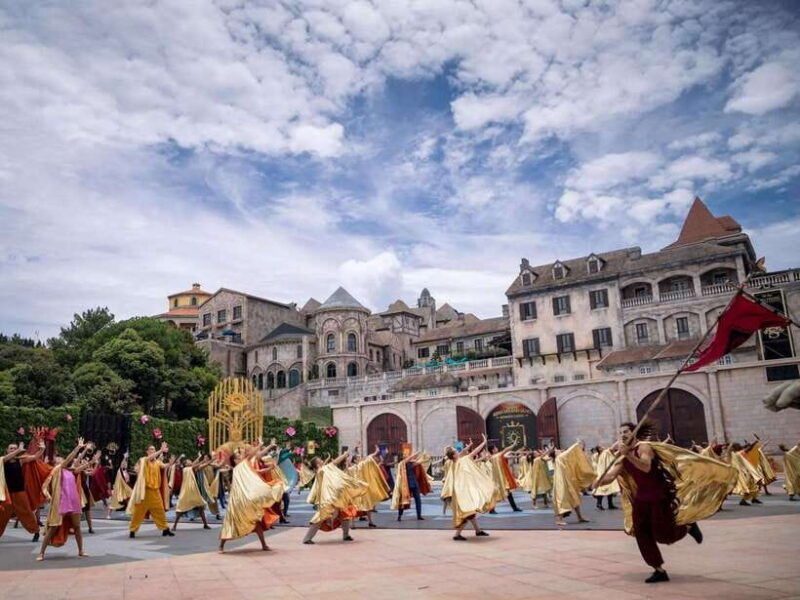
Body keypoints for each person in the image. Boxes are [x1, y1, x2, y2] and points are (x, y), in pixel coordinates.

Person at [595, 421, 735, 584]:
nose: (622, 435)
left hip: (658, 495)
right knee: (642, 533)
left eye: (626, 431)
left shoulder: (644, 447)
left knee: (664, 536)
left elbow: (646, 467)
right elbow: (611, 476)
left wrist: (628, 455)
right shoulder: (623, 454)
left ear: (634, 433)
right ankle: (658, 570)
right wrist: (598, 482)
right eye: (620, 433)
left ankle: (688, 526)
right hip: (641, 498)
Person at [218, 441, 284, 553]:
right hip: (238, 500)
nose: (241, 456)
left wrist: (269, 468)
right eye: (238, 456)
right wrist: (259, 445)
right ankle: (221, 545)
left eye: (240, 455)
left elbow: (257, 467)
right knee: (231, 522)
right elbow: (253, 454)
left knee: (256, 520)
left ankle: (264, 545)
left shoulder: (246, 465)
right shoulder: (237, 469)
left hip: (249, 498)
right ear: (234, 460)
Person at [37, 440, 92, 561]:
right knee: (53, 528)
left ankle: (81, 550)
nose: (61, 461)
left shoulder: (70, 471)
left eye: (61, 460)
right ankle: (41, 552)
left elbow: (77, 464)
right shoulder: (57, 470)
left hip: (73, 503)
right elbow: (69, 459)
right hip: (61, 503)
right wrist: (78, 447)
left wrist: (88, 458)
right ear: (56, 463)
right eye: (59, 460)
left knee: (77, 527)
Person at [302, 452, 368, 544]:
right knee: (319, 518)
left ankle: (346, 535)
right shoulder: (322, 471)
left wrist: (328, 459)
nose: (322, 461)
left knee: (344, 515)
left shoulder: (323, 470)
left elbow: (330, 465)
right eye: (320, 460)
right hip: (329, 500)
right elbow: (335, 463)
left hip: (335, 498)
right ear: (318, 464)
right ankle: (307, 538)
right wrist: (344, 454)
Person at [444, 434, 494, 541]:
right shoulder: (462, 460)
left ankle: (478, 530)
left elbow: (463, 452)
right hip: (463, 493)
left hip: (460, 492)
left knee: (470, 513)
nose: (458, 451)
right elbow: (474, 452)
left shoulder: (454, 462)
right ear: (454, 455)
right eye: (456, 451)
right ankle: (457, 534)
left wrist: (470, 445)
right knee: (467, 513)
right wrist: (483, 442)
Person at [127, 442, 176, 538]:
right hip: (145, 491)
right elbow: (150, 458)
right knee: (138, 512)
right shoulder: (144, 460)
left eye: (153, 449)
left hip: (155, 491)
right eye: (151, 449)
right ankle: (132, 530)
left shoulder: (157, 462)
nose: (152, 451)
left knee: (160, 511)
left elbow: (164, 466)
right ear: (147, 451)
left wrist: (171, 463)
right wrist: (161, 450)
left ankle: (165, 529)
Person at [1, 440, 46, 540]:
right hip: (7, 493)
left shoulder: (20, 460)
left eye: (14, 448)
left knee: (26, 512)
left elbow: (35, 457)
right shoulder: (3, 460)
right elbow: (6, 458)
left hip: (20, 491)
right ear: (7, 450)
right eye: (11, 448)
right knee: (2, 514)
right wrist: (18, 450)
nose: (13, 450)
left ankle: (36, 531)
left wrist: (42, 449)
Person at [551, 442, 593, 526]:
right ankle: (559, 519)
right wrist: (577, 444)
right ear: (555, 454)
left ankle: (579, 517)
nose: (559, 450)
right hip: (561, 483)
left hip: (567, 482)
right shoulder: (559, 458)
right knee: (562, 499)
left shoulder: (562, 459)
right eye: (557, 450)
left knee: (574, 498)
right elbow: (569, 452)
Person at [348, 446, 391, 529]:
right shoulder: (354, 468)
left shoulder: (361, 466)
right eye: (358, 458)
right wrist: (375, 452)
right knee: (354, 506)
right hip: (355, 491)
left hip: (363, 490)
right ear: (355, 460)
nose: (360, 458)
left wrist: (357, 449)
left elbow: (367, 459)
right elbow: (368, 458)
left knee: (368, 506)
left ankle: (370, 522)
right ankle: (352, 524)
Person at [173, 454, 214, 531]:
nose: (190, 461)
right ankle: (174, 526)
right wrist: (204, 460)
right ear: (185, 464)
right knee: (181, 510)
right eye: (188, 461)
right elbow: (195, 465)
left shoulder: (190, 469)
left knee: (201, 507)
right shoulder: (186, 469)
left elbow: (196, 465)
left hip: (193, 491)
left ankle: (205, 524)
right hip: (187, 492)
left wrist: (203, 459)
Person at [392, 451, 430, 521]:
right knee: (403, 500)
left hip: (414, 484)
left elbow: (418, 462)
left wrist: (424, 457)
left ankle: (419, 515)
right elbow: (409, 459)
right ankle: (399, 515)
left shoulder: (411, 463)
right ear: (402, 457)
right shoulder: (402, 463)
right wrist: (416, 453)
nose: (407, 455)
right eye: (405, 455)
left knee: (418, 500)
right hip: (406, 485)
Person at [487, 444, 523, 513]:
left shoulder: (493, 457)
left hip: (497, 479)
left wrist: (515, 454)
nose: (497, 448)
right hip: (499, 479)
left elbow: (507, 454)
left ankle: (514, 508)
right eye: (495, 447)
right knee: (497, 494)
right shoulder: (497, 456)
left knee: (508, 493)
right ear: (493, 450)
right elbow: (506, 450)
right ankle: (492, 509)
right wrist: (513, 445)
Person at [592, 445, 619, 510]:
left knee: (609, 488)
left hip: (604, 472)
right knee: (600, 489)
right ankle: (599, 504)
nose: (603, 447)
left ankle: (610, 504)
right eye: (601, 447)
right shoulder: (601, 454)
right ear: (599, 449)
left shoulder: (601, 454)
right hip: (601, 473)